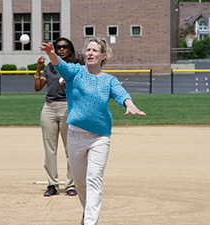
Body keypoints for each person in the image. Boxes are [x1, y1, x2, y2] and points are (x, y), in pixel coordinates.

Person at [40, 37, 146, 225]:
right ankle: (87, 211)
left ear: (103, 56)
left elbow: (121, 94)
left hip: (100, 138)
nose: (90, 53)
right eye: (88, 50)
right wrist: (51, 54)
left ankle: (90, 222)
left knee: (94, 180)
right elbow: (61, 65)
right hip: (75, 136)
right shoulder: (75, 73)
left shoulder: (109, 80)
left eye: (95, 51)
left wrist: (129, 104)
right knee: (80, 183)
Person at [34, 37, 80, 197]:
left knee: (71, 149)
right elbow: (38, 87)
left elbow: (80, 88)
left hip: (68, 107)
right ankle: (52, 184)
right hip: (49, 109)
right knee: (50, 150)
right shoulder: (50, 67)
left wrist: (70, 85)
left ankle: (71, 185)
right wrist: (38, 69)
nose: (61, 49)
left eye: (65, 46)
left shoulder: (75, 67)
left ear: (70, 50)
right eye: (58, 47)